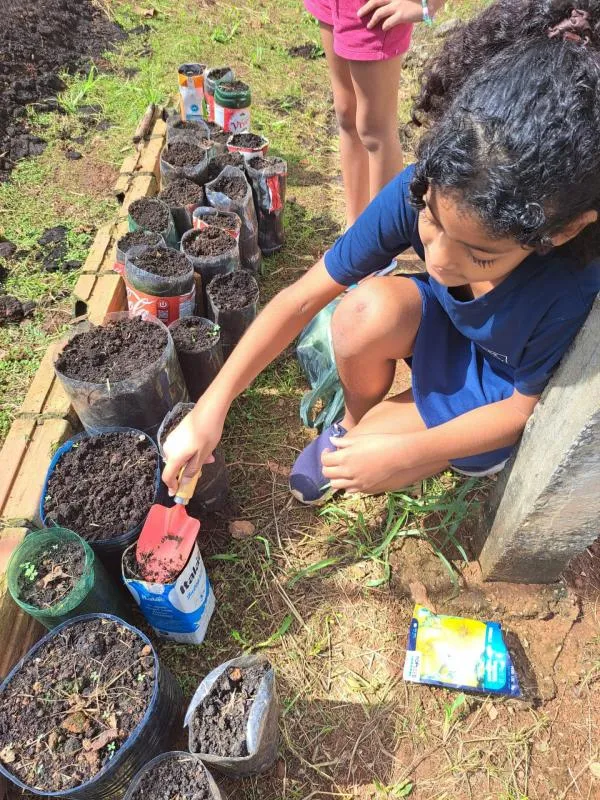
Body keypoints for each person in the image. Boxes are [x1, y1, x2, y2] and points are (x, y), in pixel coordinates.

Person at [163, 0, 600, 506]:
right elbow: (301, 298)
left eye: (481, 257)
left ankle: (445, 450)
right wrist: (210, 407)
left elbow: (520, 410)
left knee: (374, 459)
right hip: (447, 332)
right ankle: (353, 423)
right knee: (361, 312)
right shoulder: (420, 190)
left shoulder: (570, 284)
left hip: (493, 395)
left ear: (562, 232)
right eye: (432, 223)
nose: (439, 261)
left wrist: (407, 453)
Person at [304, 0, 443, 226]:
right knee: (346, 112)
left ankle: (381, 241)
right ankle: (354, 230)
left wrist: (430, 4)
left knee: (374, 130)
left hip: (374, 11)